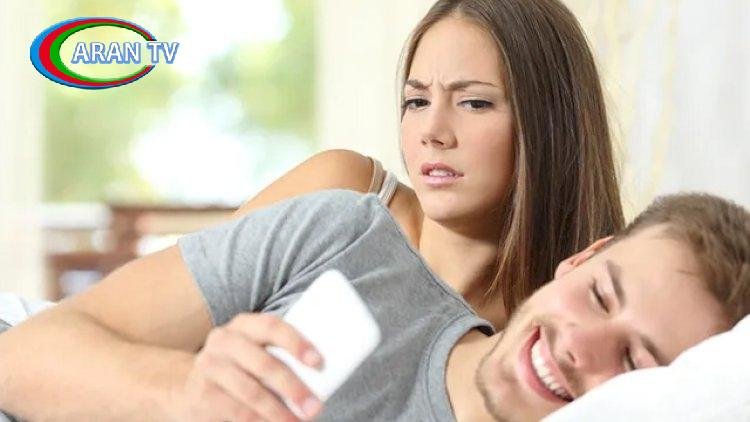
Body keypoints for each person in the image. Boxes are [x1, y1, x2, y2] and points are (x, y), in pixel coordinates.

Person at [0, 190, 747, 421]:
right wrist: (184, 396)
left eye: (634, 361)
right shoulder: (351, 242)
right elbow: (19, 357)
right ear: (581, 258)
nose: (583, 344)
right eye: (600, 294)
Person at [228, 0, 624, 330]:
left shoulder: (544, 339)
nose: (432, 132)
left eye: (474, 103)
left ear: (552, 125)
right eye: (417, 102)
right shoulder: (341, 189)